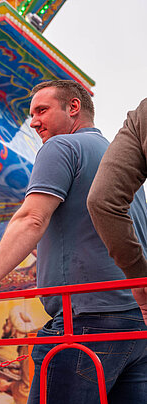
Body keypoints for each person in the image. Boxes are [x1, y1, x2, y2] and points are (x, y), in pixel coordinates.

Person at [0, 80, 147, 404]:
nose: (34, 122)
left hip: (85, 320)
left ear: (73, 107)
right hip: (135, 325)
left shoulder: (61, 146)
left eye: (42, 110)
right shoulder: (119, 158)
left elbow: (31, 218)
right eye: (31, 114)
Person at [87, 98, 147, 324]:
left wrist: (138, 277)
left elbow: (103, 201)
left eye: (42, 110)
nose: (34, 122)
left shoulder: (141, 115)